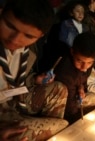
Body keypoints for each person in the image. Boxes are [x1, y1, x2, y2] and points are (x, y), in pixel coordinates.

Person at [0, 0, 68, 140]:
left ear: (40, 36)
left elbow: (17, 79)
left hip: (13, 99)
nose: (15, 40)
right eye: (9, 26)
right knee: (61, 126)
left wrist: (34, 79)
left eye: (28, 36)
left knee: (59, 89)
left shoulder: (29, 52)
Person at [54, 32, 95, 124]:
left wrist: (81, 88)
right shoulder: (66, 72)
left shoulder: (89, 64)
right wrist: (77, 121)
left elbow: (82, 79)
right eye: (80, 61)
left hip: (75, 97)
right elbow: (69, 104)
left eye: (89, 63)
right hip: (63, 104)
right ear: (72, 52)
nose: (84, 67)